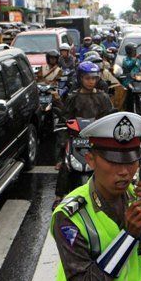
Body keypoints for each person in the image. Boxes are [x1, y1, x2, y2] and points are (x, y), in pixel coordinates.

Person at [51, 112, 141, 281]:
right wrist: (129, 235)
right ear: (90, 160)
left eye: (131, 161)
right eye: (114, 162)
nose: (125, 171)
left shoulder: (135, 196)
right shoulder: (69, 215)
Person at [54, 62, 114, 208]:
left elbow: (109, 118)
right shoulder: (72, 97)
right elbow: (65, 120)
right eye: (87, 78)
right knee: (66, 165)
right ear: (80, 78)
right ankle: (59, 196)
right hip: (76, 138)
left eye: (94, 78)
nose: (91, 81)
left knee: (109, 166)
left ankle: (111, 195)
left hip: (97, 139)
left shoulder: (103, 97)